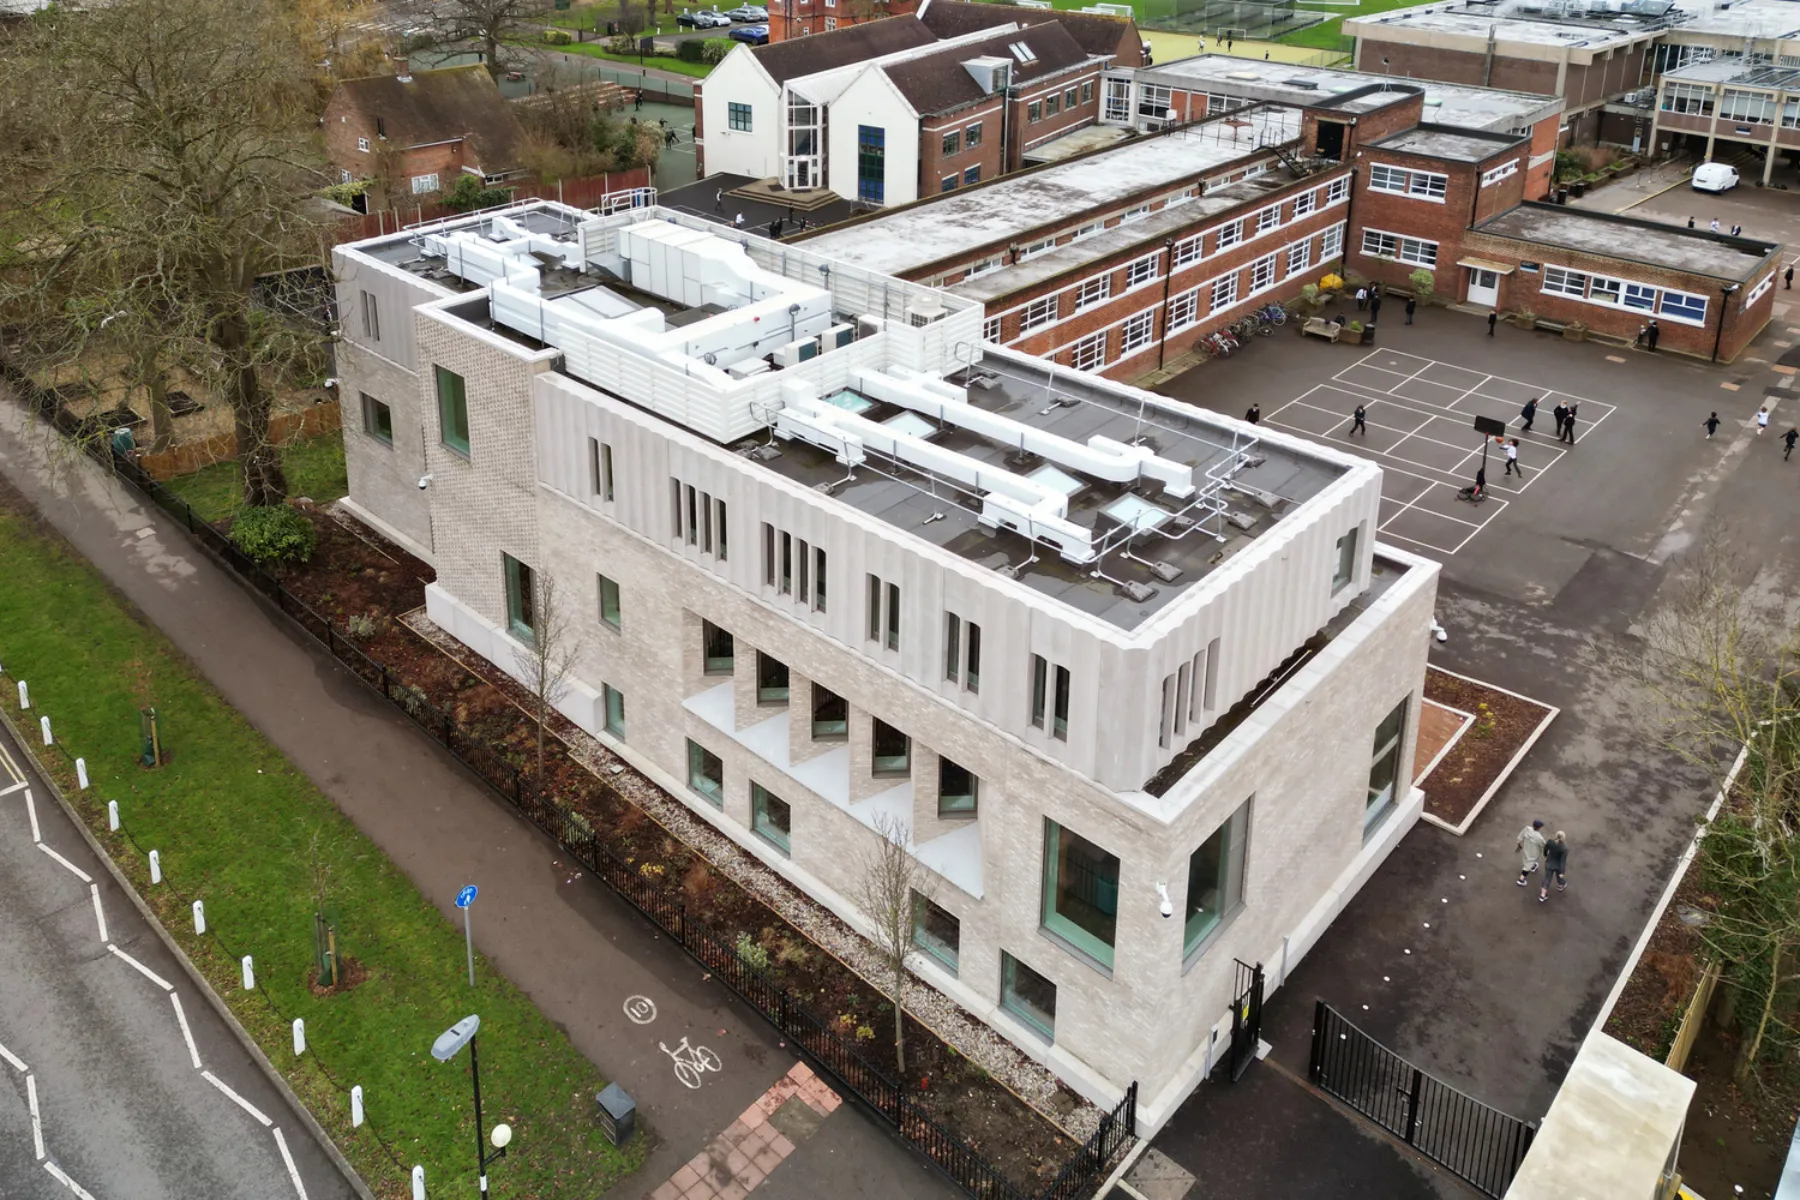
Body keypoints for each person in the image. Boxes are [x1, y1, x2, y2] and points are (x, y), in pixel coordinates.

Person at [1540, 832, 1569, 902]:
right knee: (1559, 877)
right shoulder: (1564, 848)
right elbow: (1563, 861)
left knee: (1547, 879)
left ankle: (1542, 895)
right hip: (1558, 865)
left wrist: (1545, 854)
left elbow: (1545, 848)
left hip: (1549, 863)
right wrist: (1562, 871)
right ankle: (1561, 885)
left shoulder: (1550, 842)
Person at [1517, 819, 1547, 886]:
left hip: (1526, 849)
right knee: (1527, 866)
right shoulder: (1539, 838)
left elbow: (1520, 836)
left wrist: (1519, 843)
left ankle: (1533, 866)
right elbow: (1544, 846)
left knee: (1527, 860)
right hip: (1533, 852)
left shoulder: (1527, 829)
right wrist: (1546, 853)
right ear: (1539, 827)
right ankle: (1521, 880)